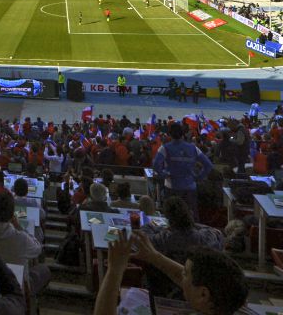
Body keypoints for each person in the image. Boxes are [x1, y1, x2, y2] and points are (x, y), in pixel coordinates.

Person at [94, 230, 248, 315]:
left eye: (186, 273)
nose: (181, 275)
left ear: (203, 295)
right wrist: (154, 257)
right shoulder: (228, 301)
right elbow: (186, 279)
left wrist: (114, 270)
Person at [0, 191, 51, 294]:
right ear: (12, 215)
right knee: (44, 270)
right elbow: (38, 248)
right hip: (16, 287)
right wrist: (19, 227)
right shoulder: (21, 238)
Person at [152, 123, 212, 217]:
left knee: (172, 217)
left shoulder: (165, 148)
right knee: (190, 216)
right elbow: (208, 165)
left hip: (172, 188)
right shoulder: (193, 148)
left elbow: (155, 164)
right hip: (190, 188)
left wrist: (164, 175)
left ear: (169, 134)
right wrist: (199, 177)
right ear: (183, 133)